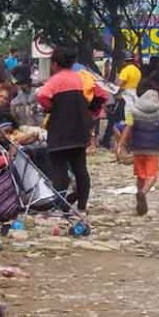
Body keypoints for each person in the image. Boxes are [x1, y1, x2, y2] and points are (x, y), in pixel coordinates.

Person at [36, 45, 104, 213]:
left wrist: (52, 107)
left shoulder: (55, 80)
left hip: (60, 130)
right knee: (80, 168)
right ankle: (82, 206)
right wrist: (90, 112)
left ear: (55, 64)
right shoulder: (82, 77)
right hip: (80, 129)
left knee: (59, 170)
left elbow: (42, 96)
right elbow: (102, 95)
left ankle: (60, 207)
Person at [116, 89, 159, 216]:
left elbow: (128, 128)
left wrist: (120, 144)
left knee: (140, 175)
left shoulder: (134, 112)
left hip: (138, 148)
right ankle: (143, 192)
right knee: (152, 176)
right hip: (153, 149)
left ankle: (139, 192)